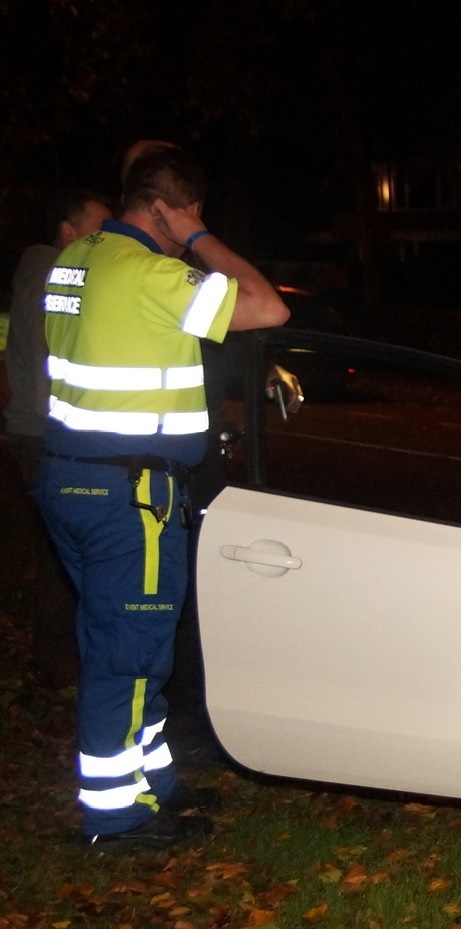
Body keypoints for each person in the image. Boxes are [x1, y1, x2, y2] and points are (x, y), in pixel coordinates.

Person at [35, 147, 289, 851]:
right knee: (130, 653)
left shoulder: (75, 261)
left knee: (121, 641)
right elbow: (266, 306)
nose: (196, 227)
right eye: (193, 213)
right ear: (166, 208)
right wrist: (200, 240)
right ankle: (117, 816)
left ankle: (152, 784)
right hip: (129, 495)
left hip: (71, 478)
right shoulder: (152, 274)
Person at [5, 187, 111, 687]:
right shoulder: (52, 279)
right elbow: (54, 363)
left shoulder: (45, 272)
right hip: (44, 433)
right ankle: (55, 662)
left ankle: (55, 658)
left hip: (37, 429)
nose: (104, 237)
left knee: (60, 545)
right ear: (68, 232)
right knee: (64, 549)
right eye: (96, 227)